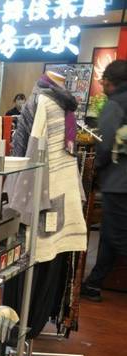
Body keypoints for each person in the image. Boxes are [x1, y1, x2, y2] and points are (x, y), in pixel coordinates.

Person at [82, 60, 127, 302]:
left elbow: (105, 143)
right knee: (112, 236)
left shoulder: (115, 104)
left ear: (109, 82)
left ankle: (94, 283)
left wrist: (95, 168)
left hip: (119, 182)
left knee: (115, 236)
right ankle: (94, 284)